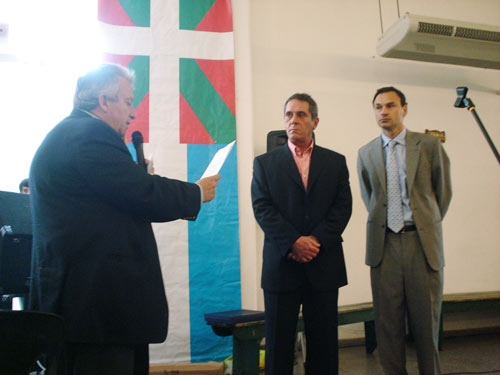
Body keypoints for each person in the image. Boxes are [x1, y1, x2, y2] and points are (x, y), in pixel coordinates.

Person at [28, 63, 220, 375]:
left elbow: (115, 196)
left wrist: (134, 175)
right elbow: (140, 192)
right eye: (128, 102)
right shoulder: (89, 134)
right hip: (97, 309)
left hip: (90, 307)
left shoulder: (70, 134)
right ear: (104, 101)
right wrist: (195, 192)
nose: (132, 113)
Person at [251, 93, 352, 375]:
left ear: (315, 121)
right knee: (277, 348)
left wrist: (314, 241)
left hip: (323, 264)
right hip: (282, 265)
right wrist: (294, 242)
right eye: (288, 114)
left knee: (323, 347)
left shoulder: (335, 162)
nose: (293, 120)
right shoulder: (265, 164)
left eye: (301, 115)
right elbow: (262, 208)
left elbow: (342, 208)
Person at [357, 86, 452, 375]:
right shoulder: (366, 153)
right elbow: (370, 198)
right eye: (378, 107)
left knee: (426, 327)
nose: (383, 111)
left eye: (390, 105)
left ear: (404, 109)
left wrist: (425, 225)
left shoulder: (429, 146)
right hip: (384, 247)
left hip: (421, 245)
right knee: (388, 327)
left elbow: (442, 194)